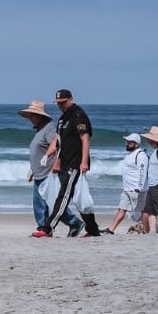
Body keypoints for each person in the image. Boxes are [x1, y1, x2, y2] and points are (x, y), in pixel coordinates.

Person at [39, 89, 100, 237]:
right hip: (65, 162)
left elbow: (85, 139)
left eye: (63, 102)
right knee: (79, 198)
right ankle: (93, 230)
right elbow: (58, 142)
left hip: (76, 163)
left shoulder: (78, 116)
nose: (61, 106)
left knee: (63, 196)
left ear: (71, 99)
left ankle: (48, 228)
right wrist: (51, 157)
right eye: (58, 103)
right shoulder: (62, 119)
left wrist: (84, 162)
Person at [19, 100, 80, 236]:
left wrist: (56, 165)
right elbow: (38, 153)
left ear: (40, 116)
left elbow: (58, 146)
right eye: (29, 116)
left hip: (48, 173)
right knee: (39, 205)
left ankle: (74, 222)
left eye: (32, 116)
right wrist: (32, 170)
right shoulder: (40, 130)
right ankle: (44, 228)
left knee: (53, 204)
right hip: (39, 173)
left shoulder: (50, 128)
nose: (30, 119)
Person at [108, 133, 149, 235]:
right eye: (127, 142)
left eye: (130, 142)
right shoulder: (129, 155)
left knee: (142, 211)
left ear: (136, 144)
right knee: (121, 209)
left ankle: (146, 231)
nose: (127, 144)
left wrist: (139, 187)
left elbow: (142, 172)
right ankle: (111, 230)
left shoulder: (141, 155)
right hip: (127, 189)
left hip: (138, 189)